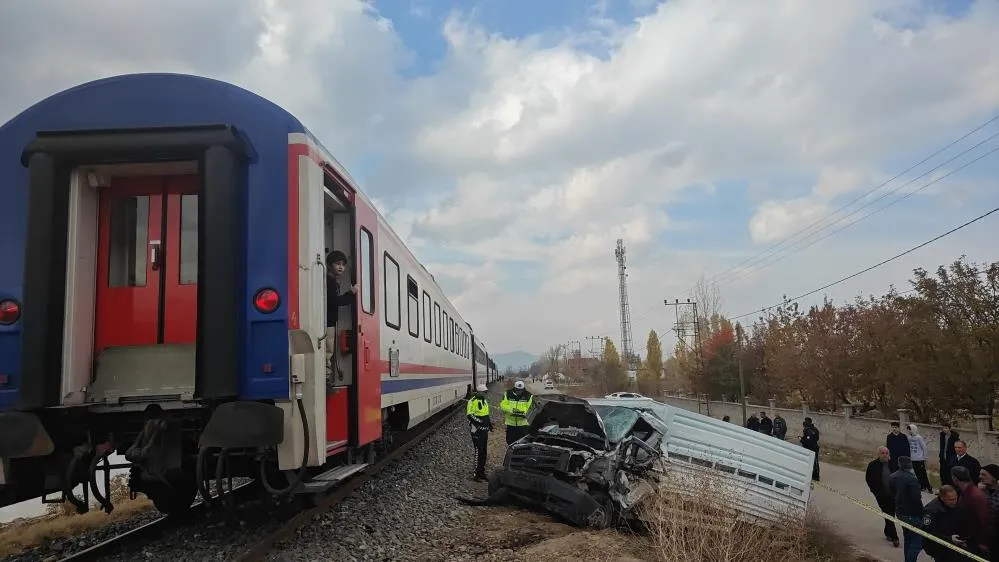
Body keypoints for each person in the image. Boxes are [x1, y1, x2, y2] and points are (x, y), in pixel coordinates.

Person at [325, 250, 358, 383]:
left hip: (328, 322)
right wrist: (351, 293)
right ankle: (325, 379)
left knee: (328, 352)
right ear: (329, 265)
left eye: (343, 265)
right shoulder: (329, 282)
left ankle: (326, 377)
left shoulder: (332, 281)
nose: (341, 267)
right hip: (327, 323)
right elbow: (336, 301)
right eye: (337, 264)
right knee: (327, 352)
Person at [889, 456, 923, 562]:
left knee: (908, 538)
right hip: (912, 514)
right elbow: (916, 498)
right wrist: (921, 514)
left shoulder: (892, 476)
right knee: (917, 541)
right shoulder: (912, 478)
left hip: (900, 512)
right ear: (910, 465)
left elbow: (892, 494)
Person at [951, 465, 989, 557]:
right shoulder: (965, 492)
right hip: (968, 539)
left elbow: (985, 520)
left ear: (955, 478)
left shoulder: (975, 496)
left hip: (977, 544)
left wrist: (984, 543)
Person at [864, 447, 899, 547]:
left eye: (886, 453)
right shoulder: (873, 465)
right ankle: (895, 537)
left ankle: (888, 532)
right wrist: (875, 492)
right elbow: (869, 479)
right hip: (881, 495)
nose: (885, 455)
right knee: (888, 513)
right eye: (882, 453)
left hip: (893, 495)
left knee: (890, 514)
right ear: (878, 454)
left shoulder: (894, 464)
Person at [921, 485, 961, 561]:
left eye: (956, 499)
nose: (954, 502)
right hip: (939, 548)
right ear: (942, 498)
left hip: (951, 545)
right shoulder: (931, 510)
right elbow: (928, 532)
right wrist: (949, 539)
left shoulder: (951, 505)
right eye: (951, 500)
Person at [466, 384, 493, 481]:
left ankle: (481, 471)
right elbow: (469, 415)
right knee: (478, 451)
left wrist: (489, 424)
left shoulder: (484, 401)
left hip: (484, 430)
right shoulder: (472, 401)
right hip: (476, 430)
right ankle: (476, 473)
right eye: (484, 392)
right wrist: (479, 422)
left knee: (484, 451)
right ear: (479, 392)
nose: (485, 393)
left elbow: (486, 414)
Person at [499, 380, 534, 445]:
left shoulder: (529, 396)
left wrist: (523, 413)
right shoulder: (508, 394)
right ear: (514, 388)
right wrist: (512, 410)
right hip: (511, 424)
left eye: (521, 390)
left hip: (523, 424)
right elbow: (502, 405)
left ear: (523, 389)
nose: (519, 392)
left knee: (524, 443)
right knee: (510, 442)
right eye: (517, 390)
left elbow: (531, 408)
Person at [906, 424, 932, 493]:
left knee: (923, 473)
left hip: (920, 459)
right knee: (917, 473)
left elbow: (924, 447)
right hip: (913, 458)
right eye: (908, 429)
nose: (909, 431)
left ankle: (929, 487)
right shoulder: (909, 438)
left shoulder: (919, 437)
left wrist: (925, 457)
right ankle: (922, 486)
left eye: (910, 429)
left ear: (913, 429)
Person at [800, 417, 820, 481]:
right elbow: (817, 438)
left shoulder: (809, 430)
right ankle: (812, 475)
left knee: (814, 462)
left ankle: (816, 476)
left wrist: (801, 440)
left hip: (811, 448)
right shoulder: (815, 429)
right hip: (813, 447)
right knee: (812, 462)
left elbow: (808, 440)